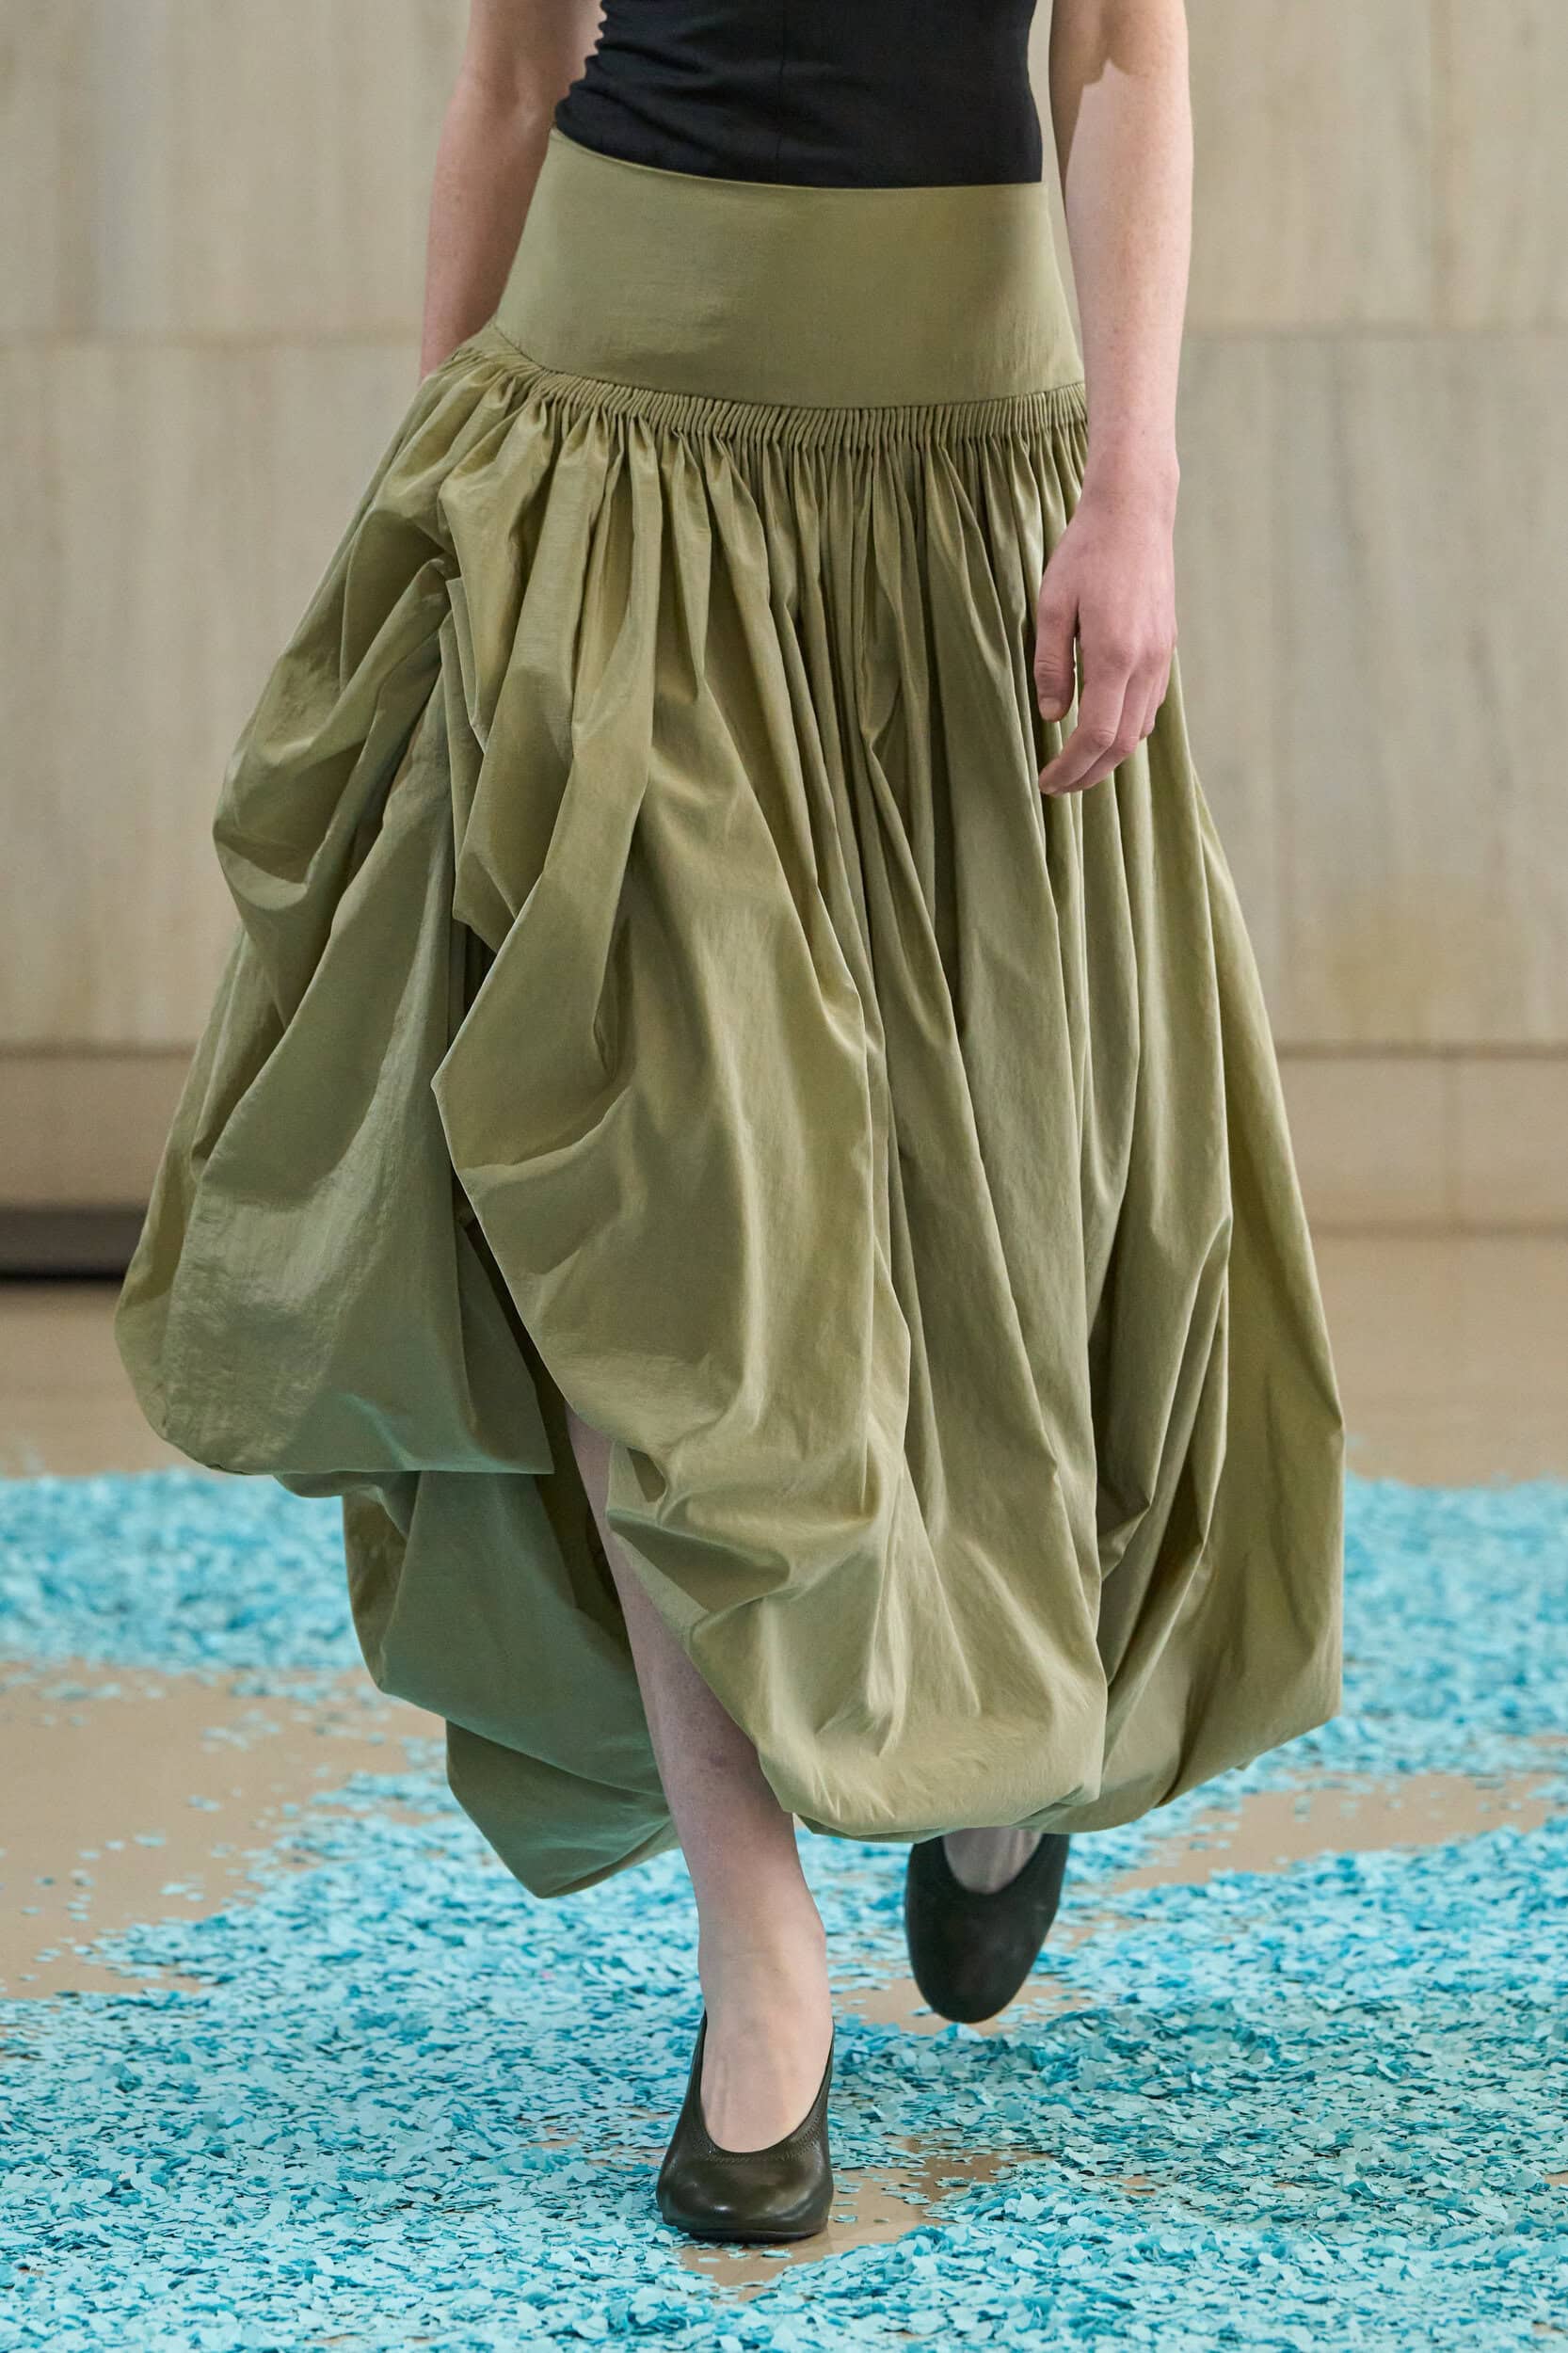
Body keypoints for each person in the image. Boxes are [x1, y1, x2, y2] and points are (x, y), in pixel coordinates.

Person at [116, 0, 1344, 2246]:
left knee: (999, 1204)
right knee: (646, 1195)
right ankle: (754, 1945)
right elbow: (512, 76)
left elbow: (1120, 60)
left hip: (960, 463)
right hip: (615, 466)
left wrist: (1136, 481)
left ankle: (990, 1748)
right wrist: (435, 479)